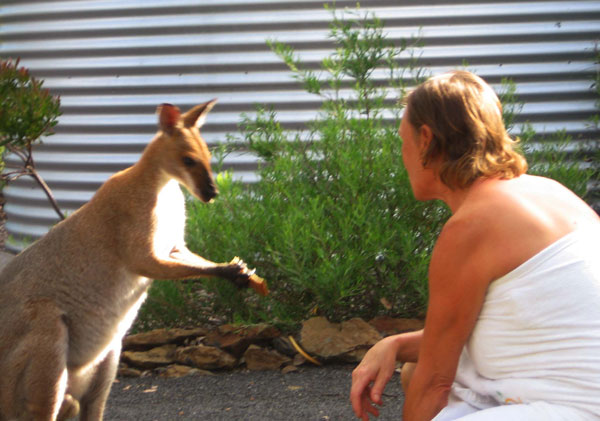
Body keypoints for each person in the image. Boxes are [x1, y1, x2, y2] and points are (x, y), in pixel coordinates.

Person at [349, 70, 600, 421]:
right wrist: (394, 344)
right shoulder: (549, 191)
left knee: (428, 382)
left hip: (578, 409)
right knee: (412, 371)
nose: (402, 154)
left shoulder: (472, 225)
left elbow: (435, 383)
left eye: (401, 141)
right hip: (572, 394)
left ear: (425, 140)